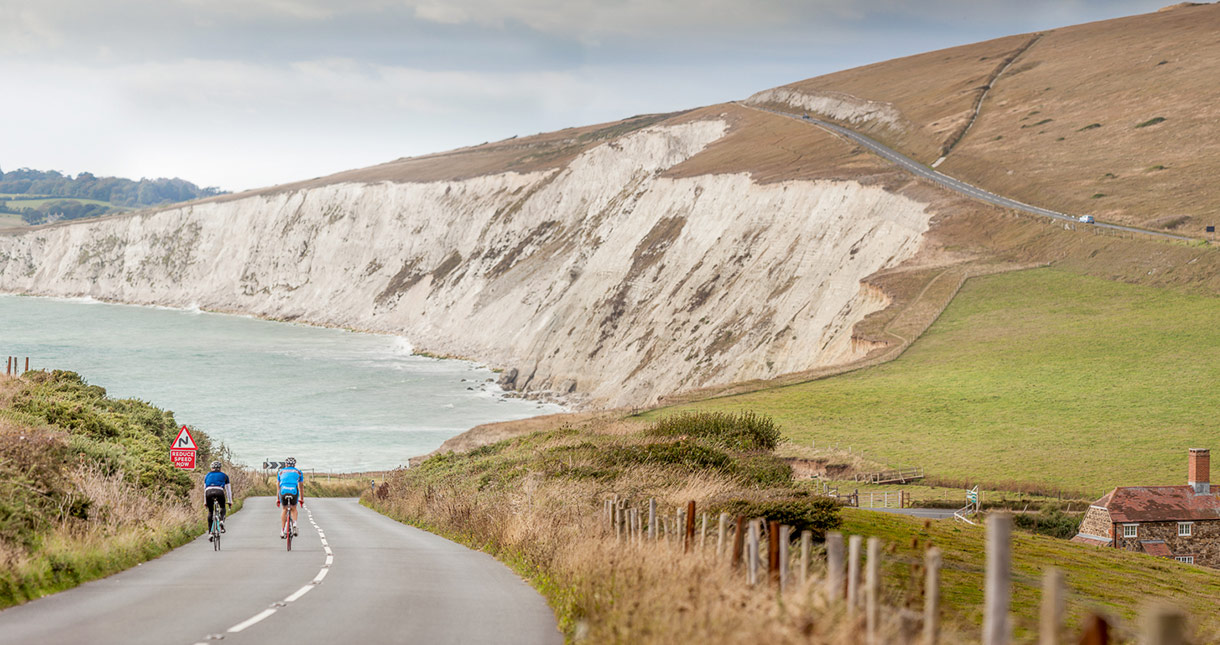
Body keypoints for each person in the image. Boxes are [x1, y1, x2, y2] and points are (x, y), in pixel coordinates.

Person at [277, 457, 305, 538]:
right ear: (294, 465)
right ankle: (295, 524)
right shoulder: (299, 472)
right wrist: (301, 499)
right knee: (293, 508)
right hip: (293, 491)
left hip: (283, 491)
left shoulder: (280, 472)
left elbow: (278, 487)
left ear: (286, 465)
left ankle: (282, 531)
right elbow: (301, 487)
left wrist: (278, 499)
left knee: (284, 509)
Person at [204, 461, 232, 541]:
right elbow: (228, 490)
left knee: (210, 512)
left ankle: (210, 533)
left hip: (208, 492)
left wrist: (205, 502)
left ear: (211, 468)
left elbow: (204, 489)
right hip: (219, 491)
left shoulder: (207, 475)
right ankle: (221, 520)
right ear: (220, 468)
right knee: (222, 507)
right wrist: (230, 501)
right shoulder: (224, 475)